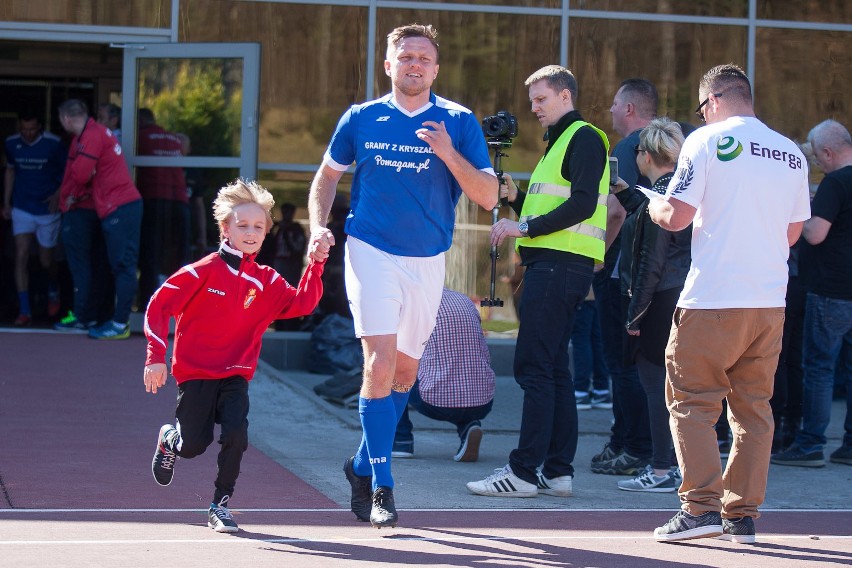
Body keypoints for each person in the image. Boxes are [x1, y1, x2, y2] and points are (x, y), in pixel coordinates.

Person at [307, 23, 497, 528]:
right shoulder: (361, 118)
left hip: (427, 260)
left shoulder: (457, 121)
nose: (414, 64)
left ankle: (360, 464)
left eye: (423, 58)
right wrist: (317, 228)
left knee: (407, 375)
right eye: (405, 56)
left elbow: (487, 195)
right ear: (388, 65)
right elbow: (327, 176)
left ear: (436, 69)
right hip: (370, 250)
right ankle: (383, 488)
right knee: (380, 362)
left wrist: (448, 153)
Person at [647, 64, 810, 543]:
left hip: (714, 297)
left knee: (692, 402)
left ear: (713, 101)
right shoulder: (791, 153)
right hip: (768, 301)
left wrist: (654, 202)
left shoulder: (707, 140)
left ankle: (699, 509)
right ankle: (742, 515)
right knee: (753, 409)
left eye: (702, 109)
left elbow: (675, 217)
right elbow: (793, 232)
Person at [145, 179, 326, 533]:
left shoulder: (267, 281)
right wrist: (155, 355)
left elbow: (302, 303)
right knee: (193, 445)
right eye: (242, 225)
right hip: (196, 374)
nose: (251, 232)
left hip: (235, 375)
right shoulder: (203, 271)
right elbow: (157, 305)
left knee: (237, 435)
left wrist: (316, 263)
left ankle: (220, 504)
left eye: (258, 226)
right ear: (225, 228)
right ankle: (170, 439)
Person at [466, 64, 609, 500]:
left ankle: (523, 472)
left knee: (534, 367)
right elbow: (564, 204)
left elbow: (583, 203)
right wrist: (518, 201)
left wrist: (522, 229)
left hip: (559, 266)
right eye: (532, 102)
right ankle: (557, 471)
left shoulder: (583, 136)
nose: (534, 109)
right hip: (562, 264)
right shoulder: (565, 141)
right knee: (553, 370)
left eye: (541, 99)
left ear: (565, 95)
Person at [772, 119, 852, 467]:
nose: (817, 162)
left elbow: (816, 233)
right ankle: (849, 443)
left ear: (829, 151)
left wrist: (794, 213)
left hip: (830, 289)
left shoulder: (836, 183)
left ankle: (810, 443)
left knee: (819, 368)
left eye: (818, 155)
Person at [589, 79, 659, 475]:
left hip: (622, 271)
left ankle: (634, 447)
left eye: (615, 104)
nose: (611, 111)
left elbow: (616, 211)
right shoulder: (669, 144)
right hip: (653, 269)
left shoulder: (629, 147)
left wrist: (597, 259)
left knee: (622, 364)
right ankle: (625, 440)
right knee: (638, 362)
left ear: (630, 108)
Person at [616, 117, 690, 493]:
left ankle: (662, 468)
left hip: (659, 301)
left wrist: (635, 314)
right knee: (675, 387)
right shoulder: (677, 192)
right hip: (677, 296)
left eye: (639, 151)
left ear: (647, 155)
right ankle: (672, 466)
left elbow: (651, 262)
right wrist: (626, 191)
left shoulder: (660, 200)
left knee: (657, 387)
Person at [58, 98, 143, 339]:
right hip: (117, 207)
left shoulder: (91, 136)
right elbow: (87, 173)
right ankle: (115, 321)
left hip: (120, 206)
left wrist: (77, 188)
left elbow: (81, 174)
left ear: (65, 119)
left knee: (123, 265)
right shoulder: (94, 132)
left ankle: (119, 324)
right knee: (118, 265)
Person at [392, 288, 496, 461]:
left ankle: (401, 441)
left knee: (390, 368)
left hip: (434, 402)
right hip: (483, 401)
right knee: (458, 374)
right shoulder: (463, 300)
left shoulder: (411, 303)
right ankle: (469, 426)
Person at [3, 111, 66, 326]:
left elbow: (69, 172)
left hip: (47, 210)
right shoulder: (11, 143)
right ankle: (24, 310)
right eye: (23, 130)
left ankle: (53, 287)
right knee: (20, 255)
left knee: (46, 260)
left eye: (31, 130)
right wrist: (6, 202)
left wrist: (58, 194)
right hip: (22, 207)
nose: (27, 134)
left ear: (39, 126)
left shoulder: (54, 143)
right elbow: (10, 172)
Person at [136, 108, 189, 306]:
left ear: (140, 121)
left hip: (154, 198)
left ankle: (147, 306)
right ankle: (178, 304)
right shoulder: (174, 138)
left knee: (150, 254)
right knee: (177, 256)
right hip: (180, 201)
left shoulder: (140, 137)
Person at [570, 290, 610, 410]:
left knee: (581, 342)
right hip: (599, 294)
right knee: (597, 342)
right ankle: (602, 390)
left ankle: (581, 391)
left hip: (583, 294)